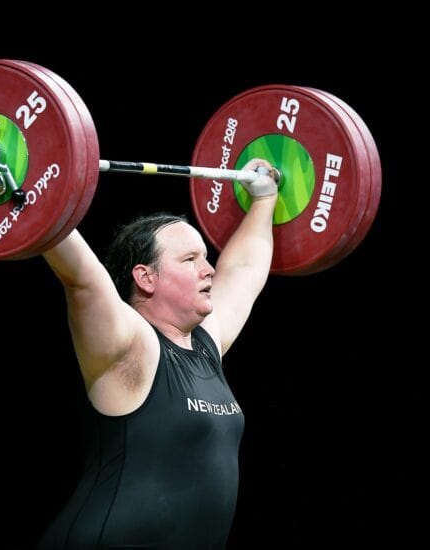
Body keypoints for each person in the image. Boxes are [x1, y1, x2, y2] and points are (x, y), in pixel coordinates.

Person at [38, 158, 279, 549]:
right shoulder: (132, 345)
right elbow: (82, 278)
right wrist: (25, 192)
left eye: (205, 257)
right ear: (145, 278)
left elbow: (246, 269)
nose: (210, 270)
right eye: (189, 260)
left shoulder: (205, 344)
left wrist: (265, 198)